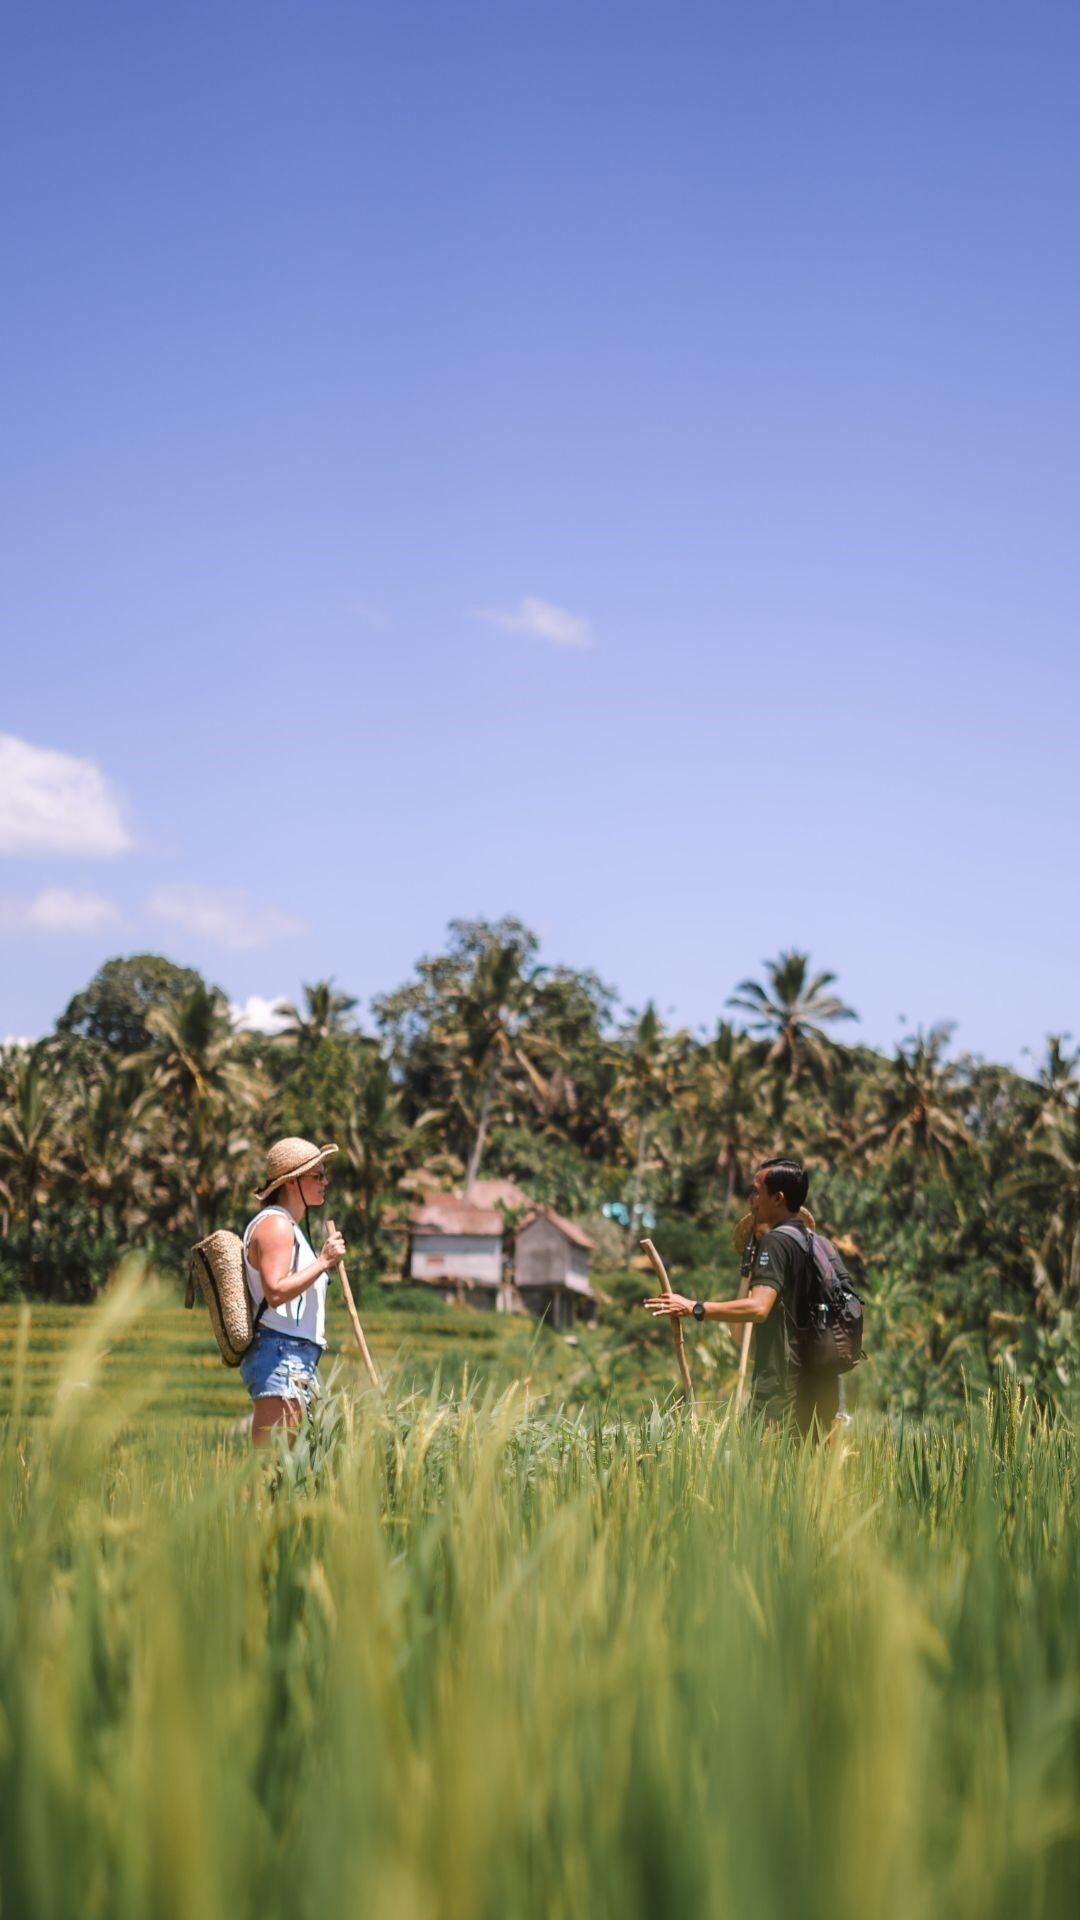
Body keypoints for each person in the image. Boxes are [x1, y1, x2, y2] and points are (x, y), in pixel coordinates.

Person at [643, 1156, 842, 1436]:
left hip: (780, 1387)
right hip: (825, 1384)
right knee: (811, 1473)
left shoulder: (776, 1242)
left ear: (778, 1198)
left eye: (757, 1191)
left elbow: (759, 1308)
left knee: (758, 1471)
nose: (751, 1199)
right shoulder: (823, 1246)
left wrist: (694, 1308)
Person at [241, 1136, 345, 1448]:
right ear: (292, 1183)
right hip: (280, 1354)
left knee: (285, 1470)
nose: (325, 1181)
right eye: (317, 1176)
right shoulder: (276, 1226)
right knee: (268, 1468)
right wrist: (324, 1261)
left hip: (291, 1355)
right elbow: (275, 1291)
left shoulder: (289, 1225)